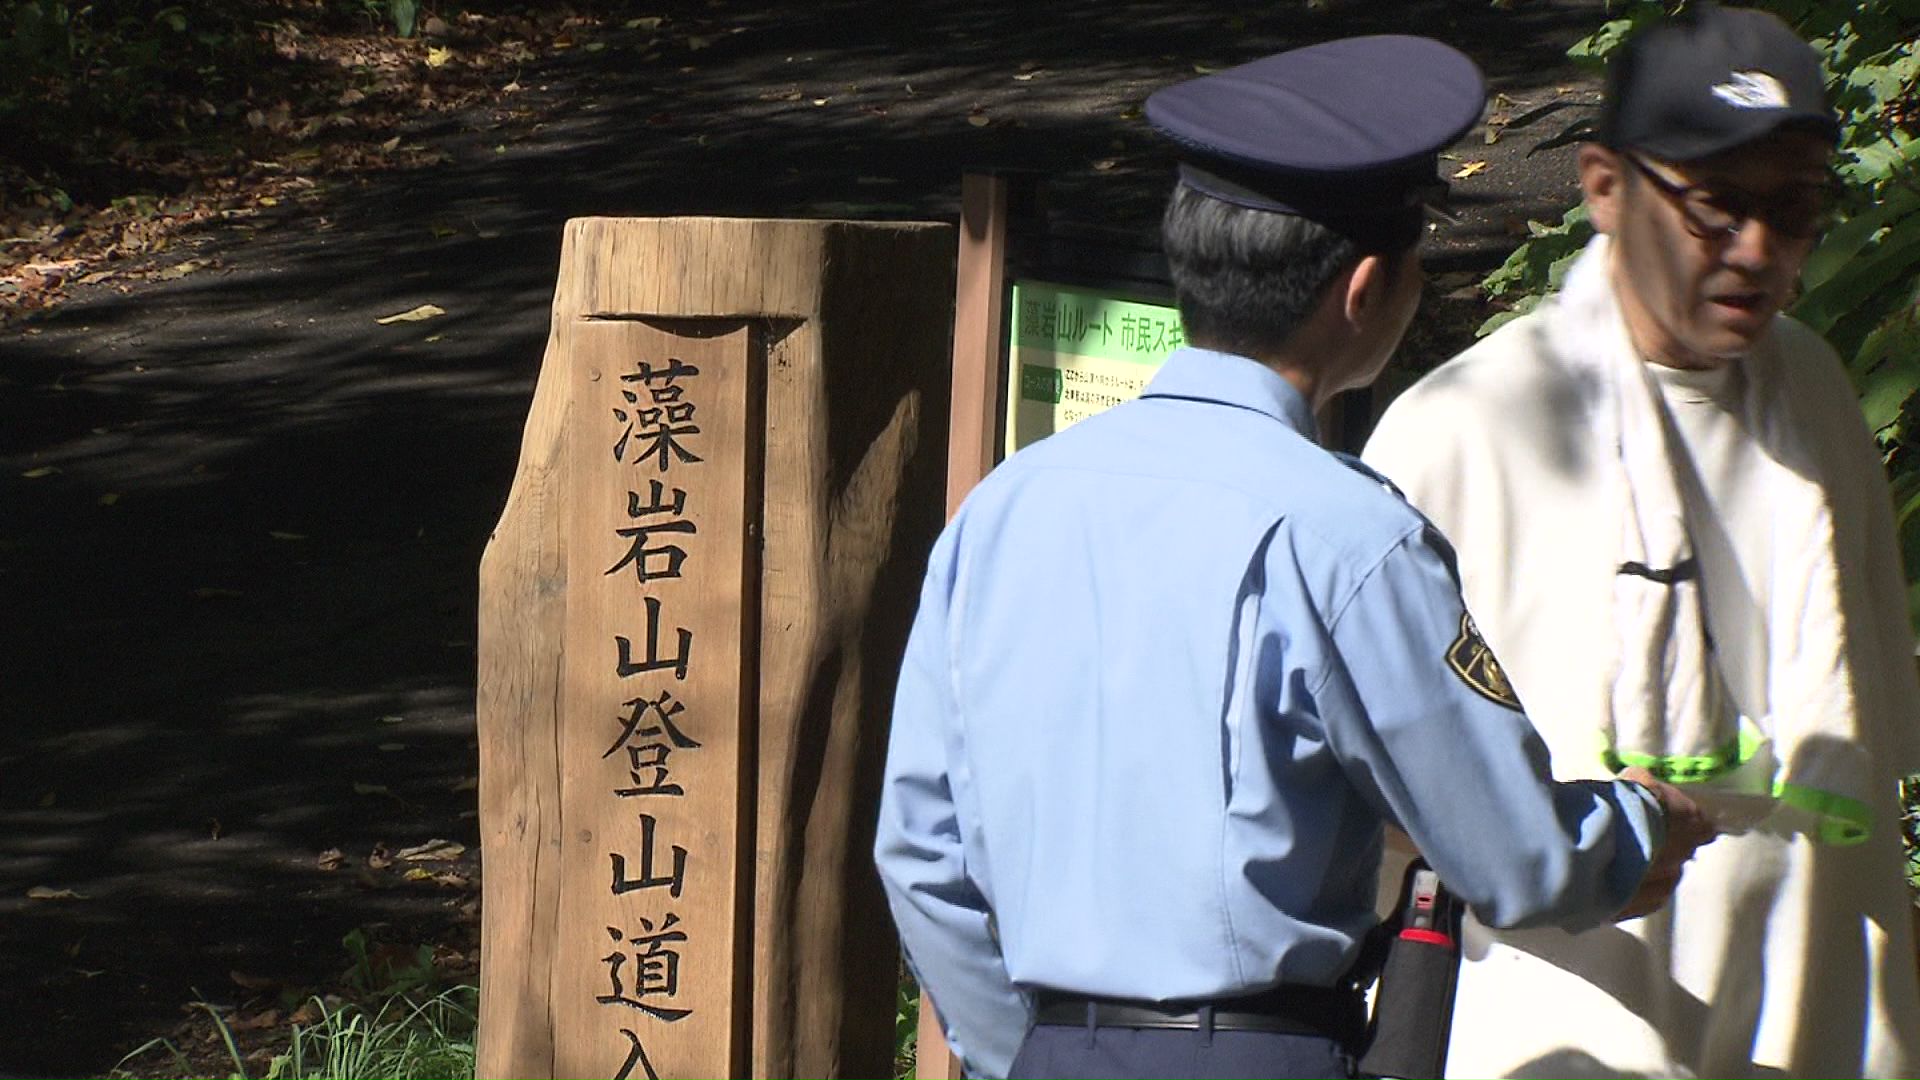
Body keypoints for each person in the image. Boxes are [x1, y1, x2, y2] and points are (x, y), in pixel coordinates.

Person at [873, 35, 1715, 1080]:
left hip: (1050, 1051)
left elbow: (918, 851)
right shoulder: (1349, 536)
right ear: (1367, 290)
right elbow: (1514, 852)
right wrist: (1640, 827)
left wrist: (1030, 1053)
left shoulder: (1005, 508)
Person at [1362, 7, 1920, 1077]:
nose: (1758, 251)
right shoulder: (1467, 428)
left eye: (1795, 208)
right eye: (1717, 206)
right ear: (1604, 186)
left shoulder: (1818, 396)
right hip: (1568, 1037)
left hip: (1819, 1023)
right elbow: (1378, 811)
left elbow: (1866, 760)